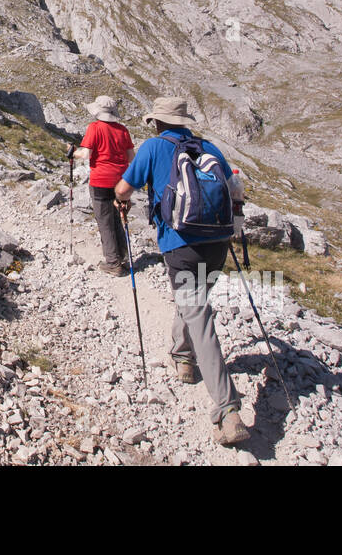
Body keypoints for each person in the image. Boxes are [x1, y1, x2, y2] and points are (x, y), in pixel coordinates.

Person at [114, 97, 251, 445]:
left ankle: (228, 408)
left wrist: (122, 200)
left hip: (180, 243)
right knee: (194, 302)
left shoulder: (153, 147)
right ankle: (183, 357)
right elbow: (232, 189)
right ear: (184, 121)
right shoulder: (209, 148)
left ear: (157, 123)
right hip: (217, 241)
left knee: (198, 314)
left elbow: (123, 188)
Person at [67, 95, 135, 276]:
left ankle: (113, 263)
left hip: (101, 180)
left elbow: (86, 154)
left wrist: (74, 153)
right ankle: (123, 257)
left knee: (105, 221)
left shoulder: (95, 128)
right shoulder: (122, 130)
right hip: (121, 181)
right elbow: (131, 157)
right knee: (117, 217)